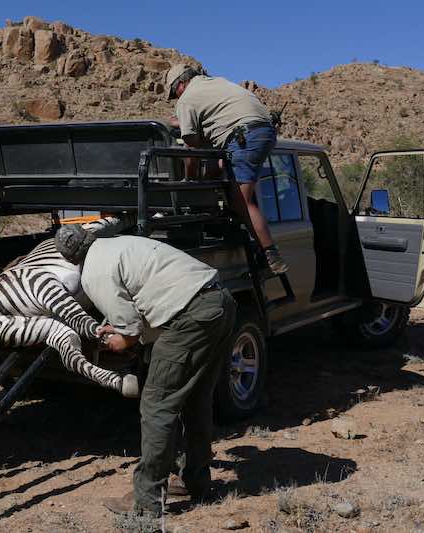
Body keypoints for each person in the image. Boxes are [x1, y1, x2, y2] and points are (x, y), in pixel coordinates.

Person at [54, 225, 236, 519]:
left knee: (156, 405)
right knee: (196, 398)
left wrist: (114, 339)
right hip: (220, 302)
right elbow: (148, 302)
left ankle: (147, 501)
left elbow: (128, 336)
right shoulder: (119, 244)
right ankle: (195, 481)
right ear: (91, 240)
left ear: (70, 259)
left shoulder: (92, 274)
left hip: (191, 317)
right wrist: (125, 327)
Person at [165, 64, 289, 275]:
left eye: (174, 93)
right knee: (228, 173)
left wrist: (190, 181)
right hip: (262, 130)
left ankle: (271, 255)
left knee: (241, 202)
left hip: (244, 136)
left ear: (181, 84)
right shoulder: (215, 84)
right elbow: (211, 136)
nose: (176, 99)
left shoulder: (187, 99)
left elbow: (192, 148)